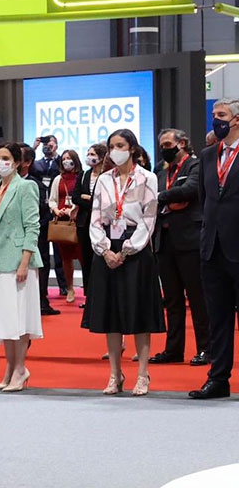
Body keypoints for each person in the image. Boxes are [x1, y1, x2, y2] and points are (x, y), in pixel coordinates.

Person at [83, 129, 165, 396]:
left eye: (120, 145)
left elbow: (149, 218)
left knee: (139, 313)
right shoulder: (104, 180)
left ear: (132, 148)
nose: (115, 150)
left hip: (136, 249)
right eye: (111, 146)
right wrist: (105, 250)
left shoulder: (147, 178)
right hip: (108, 247)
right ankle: (115, 374)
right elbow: (95, 218)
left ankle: (142, 374)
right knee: (111, 314)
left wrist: (128, 250)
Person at [0, 143, 42, 392]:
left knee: (19, 316)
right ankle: (9, 366)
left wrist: (25, 261)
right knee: (3, 316)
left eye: (6, 158)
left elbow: (33, 226)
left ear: (17, 162)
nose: (0, 162)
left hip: (18, 259)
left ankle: (20, 367)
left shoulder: (26, 187)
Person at [190, 99, 239, 399]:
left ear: (237, 120)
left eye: (221, 115)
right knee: (218, 319)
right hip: (212, 250)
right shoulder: (208, 155)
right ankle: (218, 378)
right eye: (213, 116)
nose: (216, 121)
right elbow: (205, 199)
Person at [148, 129, 210, 367]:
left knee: (198, 298)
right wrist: (166, 197)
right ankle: (174, 349)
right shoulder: (161, 171)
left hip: (190, 240)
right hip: (164, 241)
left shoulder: (195, 165)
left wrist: (161, 196)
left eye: (167, 144)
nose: (164, 148)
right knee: (172, 300)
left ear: (182, 143)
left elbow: (191, 190)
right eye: (161, 144)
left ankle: (206, 348)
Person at [31, 135, 68, 297]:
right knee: (43, 252)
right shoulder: (37, 164)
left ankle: (64, 285)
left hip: (58, 211)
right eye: (46, 144)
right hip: (41, 212)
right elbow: (27, 167)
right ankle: (42, 288)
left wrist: (56, 153)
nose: (47, 146)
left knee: (60, 252)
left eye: (50, 144)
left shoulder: (60, 162)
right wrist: (35, 147)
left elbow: (67, 169)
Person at [72, 143, 108, 308]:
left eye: (92, 153)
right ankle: (89, 297)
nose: (89, 156)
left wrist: (90, 199)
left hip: (102, 223)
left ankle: (103, 296)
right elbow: (76, 197)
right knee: (85, 260)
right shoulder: (84, 175)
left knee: (99, 260)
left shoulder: (107, 175)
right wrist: (88, 200)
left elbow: (104, 200)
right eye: (88, 153)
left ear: (101, 157)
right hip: (83, 223)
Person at [48, 149, 83, 304]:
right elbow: (52, 199)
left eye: (69, 158)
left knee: (83, 256)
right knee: (65, 258)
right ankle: (69, 288)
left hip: (78, 221)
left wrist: (72, 210)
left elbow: (82, 197)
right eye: (64, 159)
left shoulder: (82, 177)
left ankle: (88, 289)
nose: (66, 161)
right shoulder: (58, 179)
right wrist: (56, 210)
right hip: (62, 222)